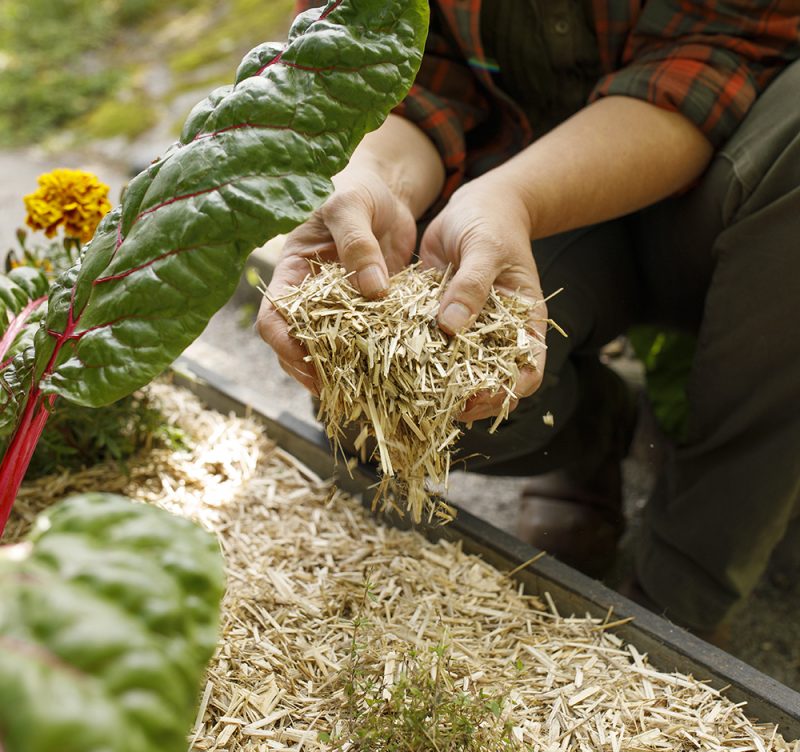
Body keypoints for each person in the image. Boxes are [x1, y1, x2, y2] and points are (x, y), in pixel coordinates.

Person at [258, 0, 800, 637]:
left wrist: (515, 197)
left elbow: (711, 55)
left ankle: (682, 591)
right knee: (379, 401)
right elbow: (399, 63)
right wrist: (378, 175)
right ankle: (594, 427)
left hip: (723, 178)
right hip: (496, 178)